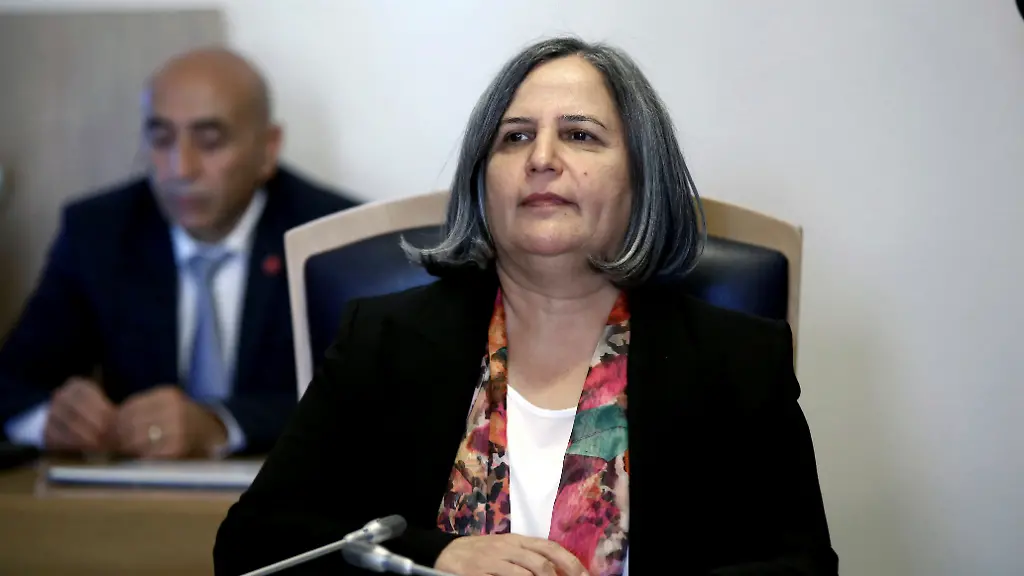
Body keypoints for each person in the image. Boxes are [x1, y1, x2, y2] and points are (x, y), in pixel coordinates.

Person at [214, 37, 837, 575]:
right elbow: (252, 547)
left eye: (579, 135)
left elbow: (800, 568)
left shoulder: (737, 361)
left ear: (642, 179)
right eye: (515, 137)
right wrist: (436, 556)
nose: (541, 159)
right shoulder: (384, 342)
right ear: (483, 181)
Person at [0, 47, 358, 459]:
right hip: (134, 494)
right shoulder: (99, 232)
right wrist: (49, 420)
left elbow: (368, 398)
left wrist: (221, 425)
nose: (180, 168)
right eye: (161, 138)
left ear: (268, 149)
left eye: (210, 141)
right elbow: (10, 383)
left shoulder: (335, 238)